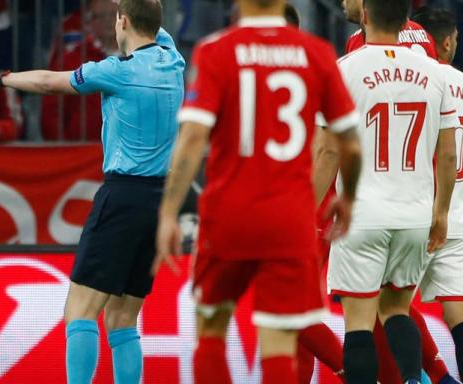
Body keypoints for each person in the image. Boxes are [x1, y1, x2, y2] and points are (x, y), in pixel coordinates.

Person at [0, 1, 185, 382]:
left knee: (80, 311)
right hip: (159, 203)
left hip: (122, 196)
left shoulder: (117, 70)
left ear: (123, 20)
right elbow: (149, 18)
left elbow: (49, 82)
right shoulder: (174, 60)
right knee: (123, 318)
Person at [155, 0, 362, 382]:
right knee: (280, 341)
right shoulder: (317, 55)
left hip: (228, 216)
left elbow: (193, 137)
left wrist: (169, 213)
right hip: (289, 220)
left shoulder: (216, 50)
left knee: (212, 331)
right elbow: (349, 143)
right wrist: (347, 198)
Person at [316, 1, 461, 382]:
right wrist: (442, 213)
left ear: (365, 16)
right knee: (397, 311)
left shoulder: (345, 70)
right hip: (414, 215)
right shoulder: (436, 74)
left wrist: (306, 210)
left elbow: (329, 150)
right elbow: (448, 153)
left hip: (362, 215)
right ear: (406, 21)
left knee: (359, 324)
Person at [413, 7, 463, 383]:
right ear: (446, 41)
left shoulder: (411, 82)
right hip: (457, 219)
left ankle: (432, 379)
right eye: (456, 39)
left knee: (388, 309)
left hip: (410, 215)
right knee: (462, 317)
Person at [42, 0, 119, 141]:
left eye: (114, 14)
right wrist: (65, 149)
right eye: (100, 16)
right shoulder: (71, 60)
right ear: (89, 23)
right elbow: (51, 111)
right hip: (82, 152)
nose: (108, 21)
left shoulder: (141, 58)